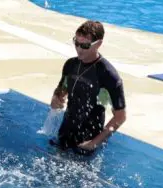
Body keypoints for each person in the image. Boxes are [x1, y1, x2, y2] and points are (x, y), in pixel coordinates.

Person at [50, 20, 126, 154]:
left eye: (85, 45)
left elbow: (120, 117)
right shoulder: (71, 65)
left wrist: (94, 143)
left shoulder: (108, 75)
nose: (79, 49)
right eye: (76, 43)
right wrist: (56, 98)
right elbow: (61, 91)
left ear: (99, 44)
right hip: (65, 133)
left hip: (88, 139)